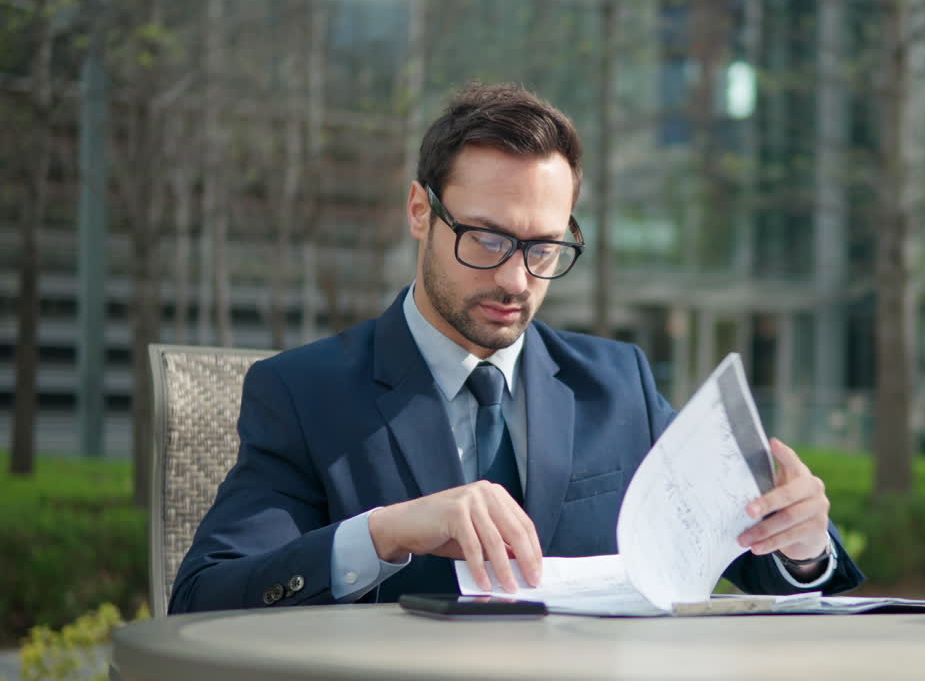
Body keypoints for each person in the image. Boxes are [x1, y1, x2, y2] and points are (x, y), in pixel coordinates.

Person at [170, 83, 863, 613]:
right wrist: (385, 532)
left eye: (544, 247)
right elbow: (204, 599)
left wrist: (801, 544)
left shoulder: (617, 384)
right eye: (489, 240)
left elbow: (758, 561)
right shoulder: (302, 393)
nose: (515, 279)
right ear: (420, 211)